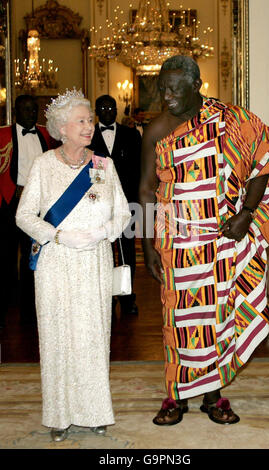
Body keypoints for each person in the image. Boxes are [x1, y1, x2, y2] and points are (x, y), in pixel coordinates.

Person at [139, 55, 269, 426]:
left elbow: (266, 158)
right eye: (163, 88)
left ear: (197, 86)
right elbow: (145, 190)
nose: (168, 95)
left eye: (176, 88)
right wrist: (146, 245)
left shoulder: (230, 119)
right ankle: (175, 395)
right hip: (177, 241)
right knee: (179, 319)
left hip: (223, 241)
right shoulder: (156, 129)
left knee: (218, 317)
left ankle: (213, 395)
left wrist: (247, 213)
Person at [16, 89, 131, 442]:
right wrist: (58, 236)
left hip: (94, 261)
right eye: (81, 121)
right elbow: (23, 215)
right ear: (61, 128)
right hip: (55, 263)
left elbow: (124, 213)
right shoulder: (43, 166)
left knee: (93, 337)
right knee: (58, 339)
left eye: (90, 121)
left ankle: (94, 410)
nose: (88, 126)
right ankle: (60, 416)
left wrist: (102, 232)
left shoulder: (103, 166)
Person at [0, 94, 57, 327]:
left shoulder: (46, 135)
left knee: (33, 259)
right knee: (4, 258)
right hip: (10, 202)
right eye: (26, 110)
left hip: (38, 206)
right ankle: (2, 311)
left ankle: (30, 313)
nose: (31, 114)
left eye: (34, 110)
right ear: (16, 112)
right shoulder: (3, 135)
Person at [89, 95, 142, 315]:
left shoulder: (131, 134)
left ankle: (128, 298)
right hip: (97, 205)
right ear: (96, 111)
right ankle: (105, 298)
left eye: (111, 106)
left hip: (128, 202)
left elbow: (140, 168)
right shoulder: (88, 135)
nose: (108, 110)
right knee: (103, 251)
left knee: (128, 251)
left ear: (117, 110)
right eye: (103, 107)